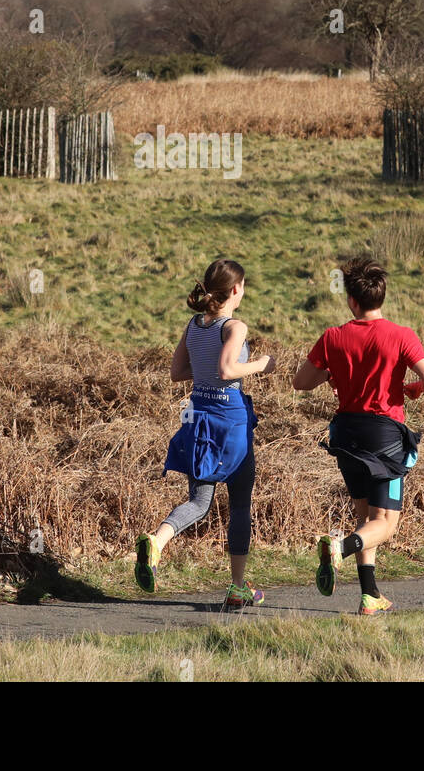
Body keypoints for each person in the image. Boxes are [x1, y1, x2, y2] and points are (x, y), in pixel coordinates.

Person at [292, 256, 424, 615]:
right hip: (384, 437)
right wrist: (416, 387)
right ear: (381, 297)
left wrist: (333, 374)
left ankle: (369, 595)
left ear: (351, 300)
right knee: (387, 523)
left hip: (345, 433)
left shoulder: (333, 337)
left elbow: (301, 383)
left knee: (365, 517)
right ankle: (338, 550)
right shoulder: (401, 335)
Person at [135, 258, 275, 609]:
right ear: (235, 289)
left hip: (197, 417)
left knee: (199, 502)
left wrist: (205, 371)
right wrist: (260, 364)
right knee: (240, 503)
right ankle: (237, 587)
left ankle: (156, 542)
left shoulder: (194, 324)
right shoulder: (235, 327)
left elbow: (177, 371)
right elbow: (228, 369)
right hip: (231, 422)